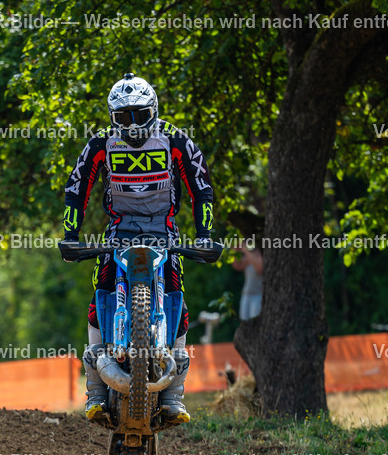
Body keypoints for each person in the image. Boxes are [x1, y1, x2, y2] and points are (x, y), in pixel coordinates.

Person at [61, 73, 215, 424]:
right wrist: (71, 233)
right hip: (119, 230)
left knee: (177, 299)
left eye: (140, 115)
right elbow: (76, 187)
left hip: (164, 229)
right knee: (99, 296)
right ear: (112, 116)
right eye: (123, 117)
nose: (132, 125)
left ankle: (174, 396)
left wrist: (205, 234)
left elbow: (201, 186)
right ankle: (95, 391)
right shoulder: (101, 142)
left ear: (154, 111)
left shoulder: (174, 138)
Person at [232, 245, 263, 321]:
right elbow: (237, 266)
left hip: (258, 295)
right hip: (246, 295)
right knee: (244, 323)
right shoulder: (250, 256)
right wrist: (235, 251)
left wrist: (245, 249)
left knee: (254, 323)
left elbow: (259, 268)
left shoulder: (259, 255)